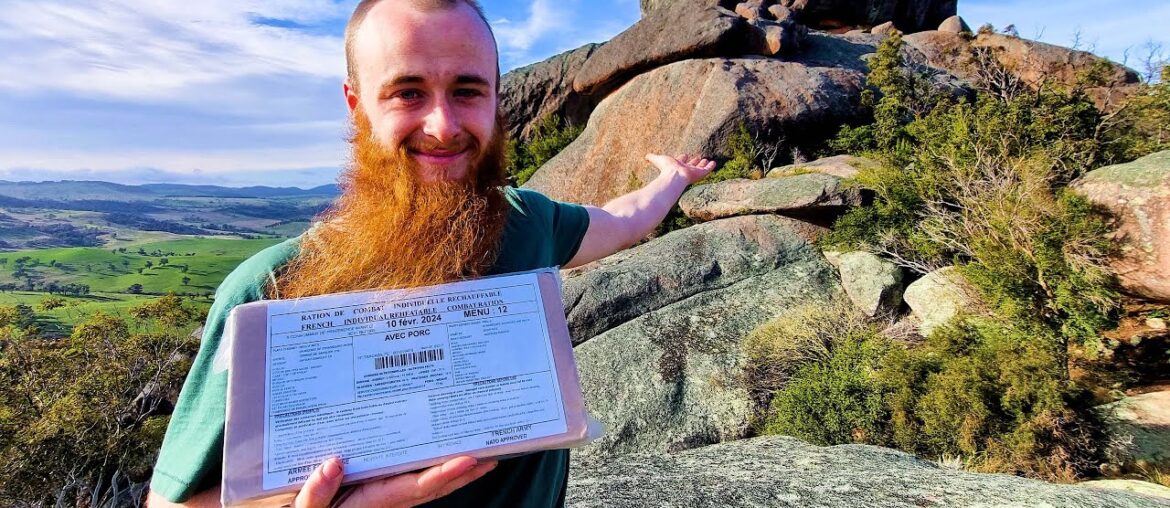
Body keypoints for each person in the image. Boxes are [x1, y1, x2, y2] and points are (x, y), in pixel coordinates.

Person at [145, 0, 716, 506]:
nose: (442, 127)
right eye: (407, 92)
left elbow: (621, 221)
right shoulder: (271, 290)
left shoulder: (525, 221)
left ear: (496, 100)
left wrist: (674, 179)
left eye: (467, 91)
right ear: (356, 104)